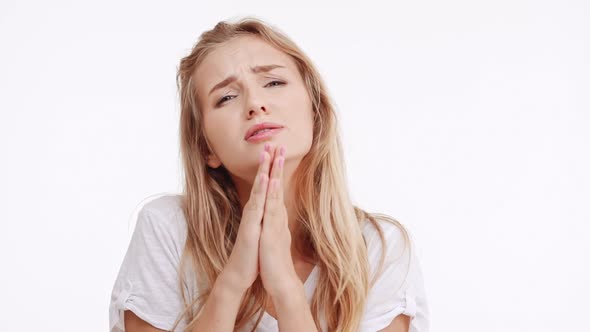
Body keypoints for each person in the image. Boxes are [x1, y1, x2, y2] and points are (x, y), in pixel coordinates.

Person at [109, 16, 429, 332]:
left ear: (315, 112)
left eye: (273, 83)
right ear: (207, 148)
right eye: (226, 97)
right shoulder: (168, 228)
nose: (256, 103)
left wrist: (287, 289)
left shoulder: (380, 247)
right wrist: (233, 282)